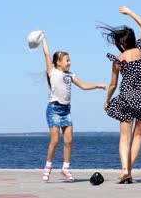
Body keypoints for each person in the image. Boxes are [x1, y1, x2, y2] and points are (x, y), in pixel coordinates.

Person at [38, 31, 106, 182]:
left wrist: (97, 85)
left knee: (69, 141)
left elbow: (83, 85)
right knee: (55, 141)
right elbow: (47, 55)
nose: (69, 62)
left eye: (70, 60)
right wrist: (43, 39)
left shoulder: (71, 75)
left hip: (66, 111)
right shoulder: (53, 72)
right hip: (54, 109)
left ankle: (65, 168)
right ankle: (48, 167)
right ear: (58, 63)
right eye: (67, 60)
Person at [99, 6, 141, 184]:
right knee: (138, 136)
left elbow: (113, 85)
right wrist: (130, 12)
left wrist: (107, 101)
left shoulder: (119, 61)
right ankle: (129, 171)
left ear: (120, 44)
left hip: (127, 98)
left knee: (125, 137)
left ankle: (125, 171)